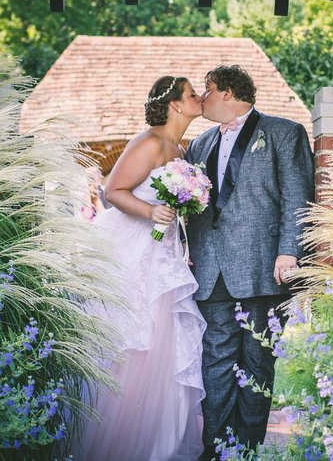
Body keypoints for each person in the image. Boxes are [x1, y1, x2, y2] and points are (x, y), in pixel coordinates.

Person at [185, 65, 314, 459]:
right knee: (216, 361)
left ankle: (248, 449)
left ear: (226, 92)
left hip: (264, 268)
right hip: (209, 271)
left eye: (206, 91)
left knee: (258, 363)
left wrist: (289, 250)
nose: (202, 99)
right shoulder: (200, 144)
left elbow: (297, 197)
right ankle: (215, 447)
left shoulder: (283, 133)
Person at [75, 75, 206, 461]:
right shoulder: (149, 141)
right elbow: (112, 191)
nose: (199, 97)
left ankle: (156, 445)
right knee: (134, 341)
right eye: (192, 93)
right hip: (134, 251)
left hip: (165, 255)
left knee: (166, 344)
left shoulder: (180, 150)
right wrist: (151, 210)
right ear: (176, 105)